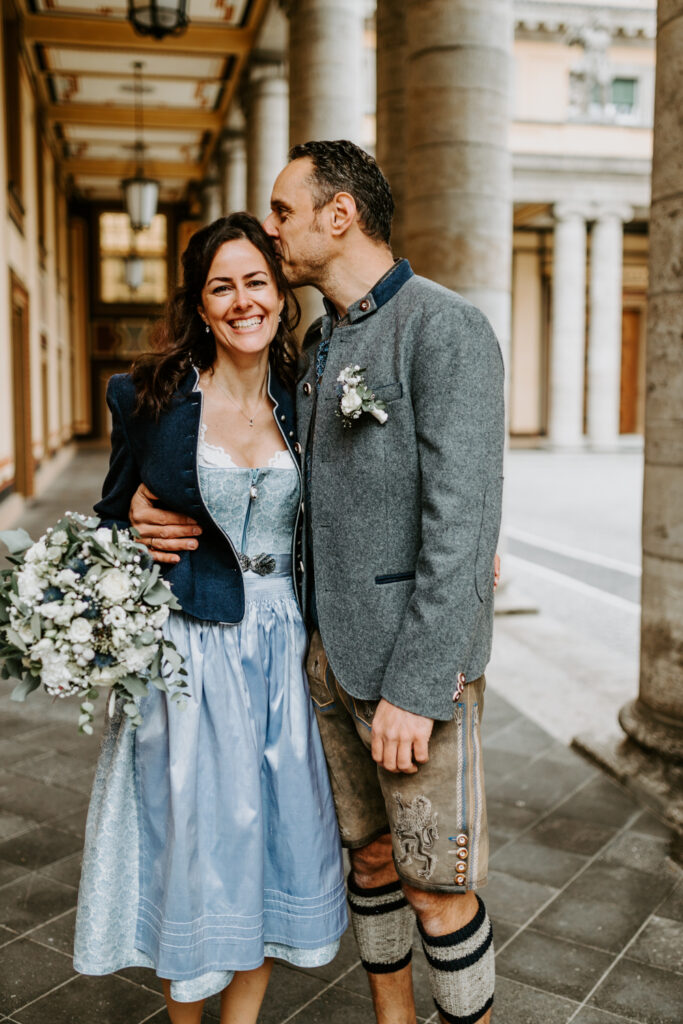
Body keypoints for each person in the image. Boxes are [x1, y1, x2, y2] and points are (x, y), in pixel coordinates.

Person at [130, 141, 504, 1024]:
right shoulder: (319, 343)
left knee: (437, 887)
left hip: (411, 676)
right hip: (319, 667)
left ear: (338, 216)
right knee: (368, 865)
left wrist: (418, 688)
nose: (272, 229)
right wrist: (148, 507)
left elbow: (461, 521)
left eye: (283, 210)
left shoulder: (443, 327)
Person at [73, 212, 347, 1024]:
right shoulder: (146, 396)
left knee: (269, 849)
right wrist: (136, 520)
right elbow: (108, 519)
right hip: (189, 657)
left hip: (283, 655)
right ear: (198, 305)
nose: (241, 301)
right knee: (192, 854)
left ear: (278, 293)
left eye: (255, 282)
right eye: (221, 287)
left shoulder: (309, 395)